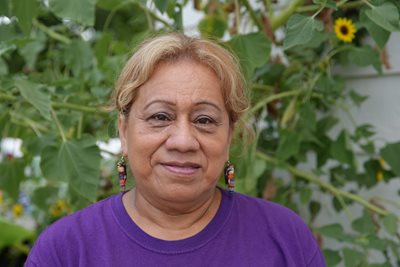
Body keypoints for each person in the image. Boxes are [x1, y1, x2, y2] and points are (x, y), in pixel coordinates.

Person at [25, 33, 326, 266]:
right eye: (160, 117)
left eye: (205, 120)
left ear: (229, 135)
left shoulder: (286, 239)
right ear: (124, 132)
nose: (183, 141)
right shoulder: (65, 250)